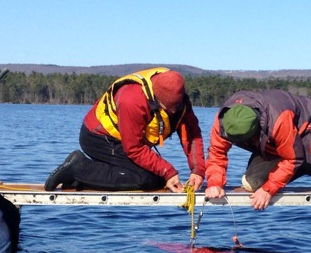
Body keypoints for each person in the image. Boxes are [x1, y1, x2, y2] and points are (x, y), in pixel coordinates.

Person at [44, 67, 205, 193]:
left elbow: (191, 134)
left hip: (124, 142)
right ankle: (78, 168)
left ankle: (78, 178)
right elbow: (134, 149)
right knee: (148, 179)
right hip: (98, 138)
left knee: (158, 177)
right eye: (168, 108)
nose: (174, 111)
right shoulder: (132, 100)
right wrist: (167, 171)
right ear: (156, 98)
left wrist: (197, 170)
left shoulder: (179, 99)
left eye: (177, 106)